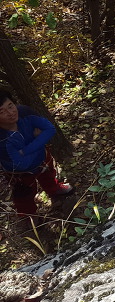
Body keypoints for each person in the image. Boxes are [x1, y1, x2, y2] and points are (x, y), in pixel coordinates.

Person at [0, 90, 74, 222]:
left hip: (42, 158)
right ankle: (28, 216)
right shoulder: (2, 139)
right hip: (19, 172)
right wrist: (38, 140)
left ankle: (54, 189)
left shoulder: (24, 112)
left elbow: (49, 129)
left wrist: (26, 150)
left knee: (48, 175)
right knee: (24, 194)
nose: (10, 113)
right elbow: (22, 163)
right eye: (2, 112)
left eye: (10, 106)